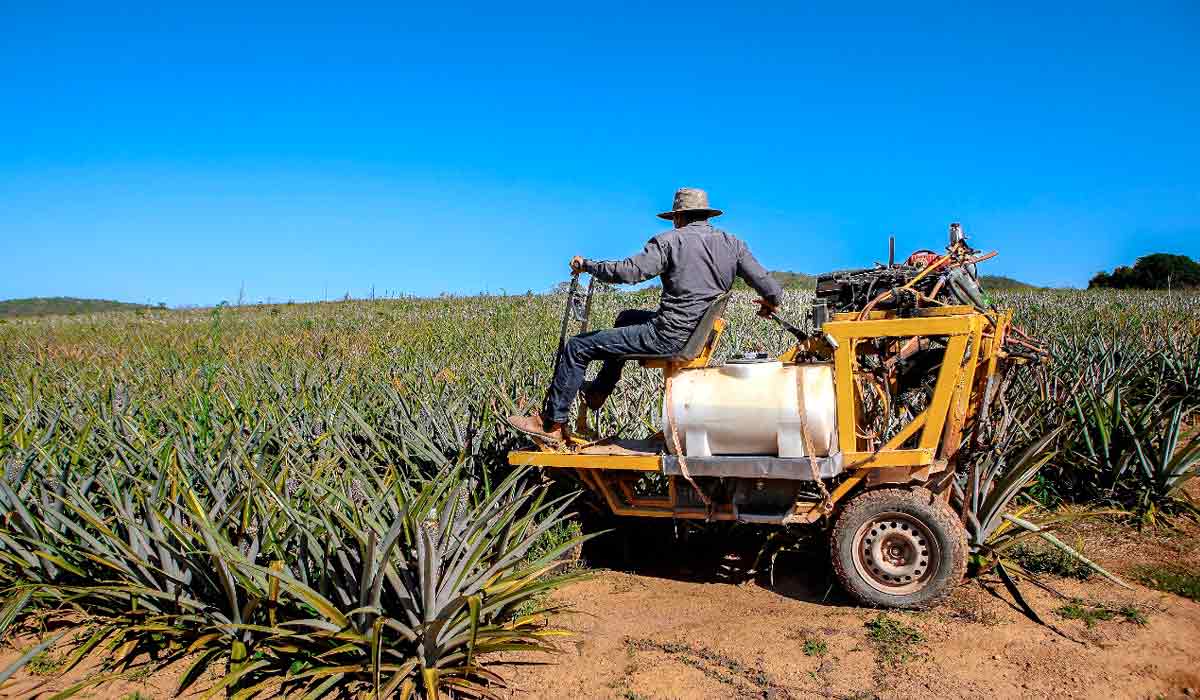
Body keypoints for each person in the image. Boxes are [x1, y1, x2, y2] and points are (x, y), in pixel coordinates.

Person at [507, 187, 783, 443]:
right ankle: (597, 392)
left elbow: (630, 272)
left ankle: (551, 425)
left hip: (667, 336)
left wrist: (588, 265)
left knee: (577, 347)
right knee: (626, 318)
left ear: (677, 218)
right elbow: (770, 287)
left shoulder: (670, 241)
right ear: (706, 216)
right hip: (697, 336)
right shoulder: (733, 244)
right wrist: (769, 303)